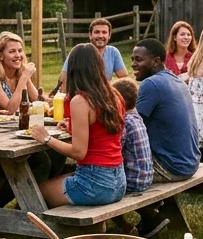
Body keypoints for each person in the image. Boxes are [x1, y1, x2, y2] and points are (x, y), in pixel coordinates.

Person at [30, 44, 125, 208]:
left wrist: (46, 138)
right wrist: (72, 126)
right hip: (119, 181)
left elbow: (78, 152)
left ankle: (39, 233)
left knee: (33, 194)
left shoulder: (81, 100)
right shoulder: (114, 94)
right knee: (50, 184)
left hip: (95, 183)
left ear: (73, 68)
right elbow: (102, 130)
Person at [130, 38, 201, 237]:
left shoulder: (151, 84)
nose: (134, 64)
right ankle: (149, 214)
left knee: (109, 166)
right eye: (132, 59)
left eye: (139, 59)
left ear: (155, 61)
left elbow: (129, 126)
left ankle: (150, 216)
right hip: (190, 161)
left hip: (172, 166)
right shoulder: (174, 78)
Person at [0, 31, 41, 113]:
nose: (18, 55)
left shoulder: (20, 73)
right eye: (12, 51)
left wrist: (26, 77)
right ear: (0, 55)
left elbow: (36, 100)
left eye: (20, 51)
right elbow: (10, 110)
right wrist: (24, 78)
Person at [60, 17, 128, 86]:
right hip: (82, 93)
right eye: (97, 32)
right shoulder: (78, 52)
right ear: (90, 35)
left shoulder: (113, 52)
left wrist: (110, 89)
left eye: (104, 32)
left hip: (104, 94)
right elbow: (63, 79)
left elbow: (124, 79)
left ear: (109, 35)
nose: (100, 36)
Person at [113, 78, 152, 193]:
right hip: (145, 178)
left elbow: (115, 148)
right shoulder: (136, 118)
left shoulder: (125, 122)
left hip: (132, 181)